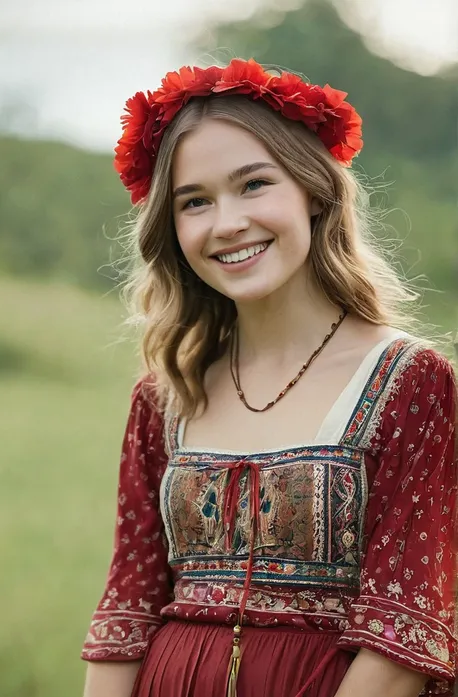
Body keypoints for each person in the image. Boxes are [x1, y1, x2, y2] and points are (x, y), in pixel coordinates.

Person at [81, 58, 457, 697]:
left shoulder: (409, 382)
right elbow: (128, 606)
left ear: (313, 191)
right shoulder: (165, 394)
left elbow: (406, 630)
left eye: (253, 184)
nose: (227, 222)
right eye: (195, 202)